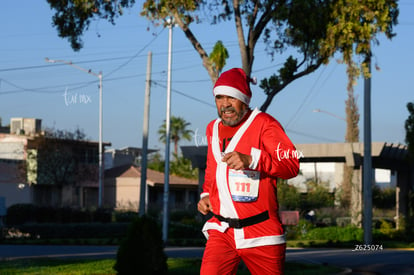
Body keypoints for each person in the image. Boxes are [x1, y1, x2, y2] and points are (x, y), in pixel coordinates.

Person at [197, 68, 300, 275]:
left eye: (231, 97)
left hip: (262, 233)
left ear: (244, 99)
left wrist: (253, 160)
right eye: (219, 97)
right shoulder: (212, 128)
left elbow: (291, 166)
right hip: (222, 231)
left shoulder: (265, 124)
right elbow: (213, 167)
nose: (225, 104)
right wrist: (207, 194)